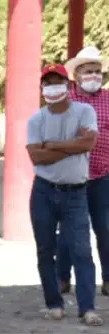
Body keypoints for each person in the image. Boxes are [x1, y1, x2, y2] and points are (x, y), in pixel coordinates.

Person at [26, 63, 101, 325]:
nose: (52, 87)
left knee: (82, 250)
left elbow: (88, 142)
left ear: (69, 86)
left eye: (58, 81)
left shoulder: (84, 111)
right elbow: (36, 156)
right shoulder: (36, 119)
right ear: (42, 88)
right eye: (48, 83)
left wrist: (54, 146)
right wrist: (73, 147)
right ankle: (54, 303)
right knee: (45, 249)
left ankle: (87, 308)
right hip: (44, 191)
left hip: (76, 193)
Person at [58, 46, 109, 296]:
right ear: (76, 76)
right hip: (72, 177)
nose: (94, 77)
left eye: (98, 72)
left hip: (103, 176)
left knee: (105, 228)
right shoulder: (67, 102)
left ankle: (108, 279)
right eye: (89, 72)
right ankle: (62, 278)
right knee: (69, 230)